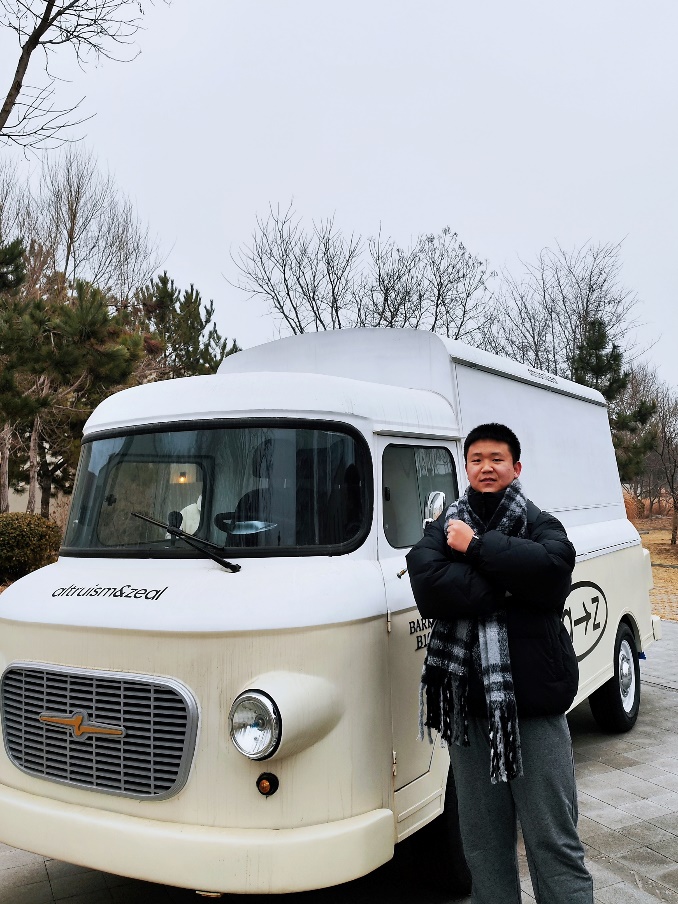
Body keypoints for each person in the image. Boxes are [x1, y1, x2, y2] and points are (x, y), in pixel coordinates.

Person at [406, 423, 593, 904]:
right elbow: (428, 585)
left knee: (555, 844)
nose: (486, 467)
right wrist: (512, 586)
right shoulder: (443, 527)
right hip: (468, 711)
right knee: (483, 848)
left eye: (497, 459)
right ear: (465, 467)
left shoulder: (540, 523)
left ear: (516, 467)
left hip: (534, 709)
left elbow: (553, 571)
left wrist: (475, 549)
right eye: (476, 459)